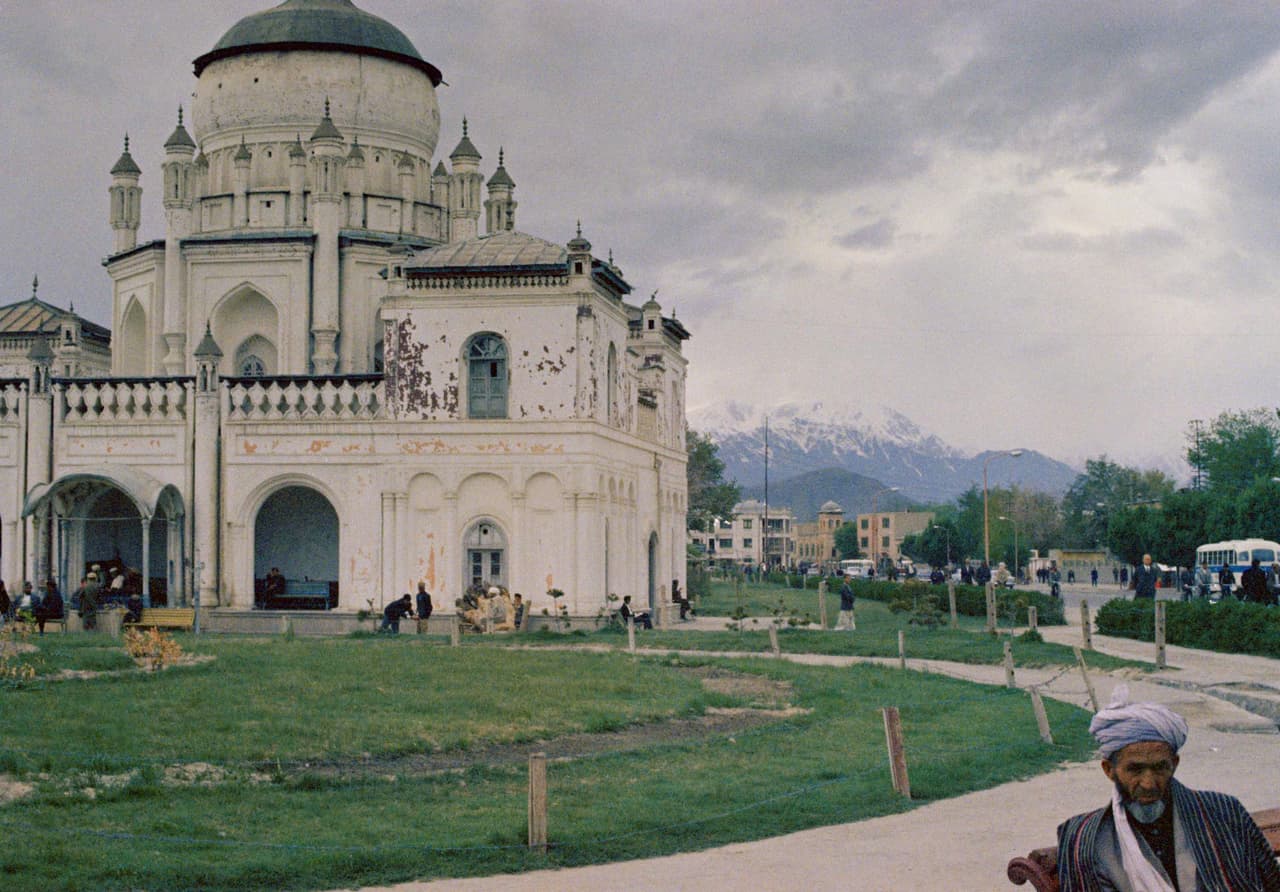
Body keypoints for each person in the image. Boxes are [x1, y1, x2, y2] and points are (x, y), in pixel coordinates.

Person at [1056, 685, 1280, 891]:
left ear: (1175, 764)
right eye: (1135, 769)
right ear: (1109, 770)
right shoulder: (1084, 837)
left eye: (1160, 768)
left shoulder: (1224, 811)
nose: (1149, 783)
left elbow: (1272, 882)